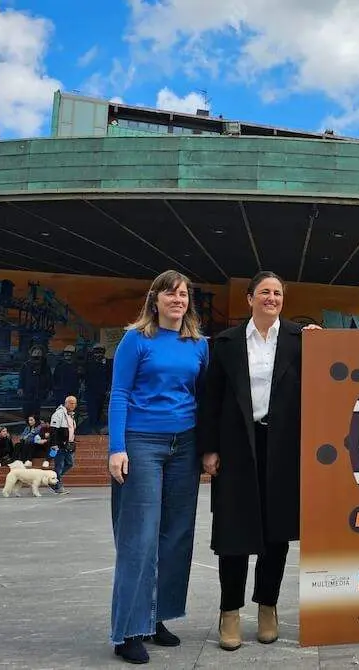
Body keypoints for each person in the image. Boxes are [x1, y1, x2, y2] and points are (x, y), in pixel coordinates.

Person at [201, 271, 318, 652]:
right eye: (264, 292)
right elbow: (211, 399)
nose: (271, 297)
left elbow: (329, 375)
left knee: (276, 535)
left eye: (277, 293)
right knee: (233, 535)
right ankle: (229, 613)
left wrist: (325, 340)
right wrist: (210, 448)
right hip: (237, 444)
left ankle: (267, 606)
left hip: (284, 446)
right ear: (249, 298)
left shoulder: (301, 339)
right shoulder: (227, 342)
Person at [106, 270, 209, 665]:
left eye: (183, 294)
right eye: (170, 294)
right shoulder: (136, 339)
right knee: (140, 537)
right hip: (142, 443)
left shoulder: (198, 344)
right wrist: (117, 448)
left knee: (177, 534)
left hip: (185, 444)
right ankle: (128, 630)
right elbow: (119, 393)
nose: (178, 299)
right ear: (155, 300)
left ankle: (157, 619)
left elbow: (204, 394)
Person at [49, 396, 77, 495]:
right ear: (66, 403)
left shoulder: (71, 415)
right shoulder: (58, 414)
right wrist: (54, 444)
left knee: (70, 463)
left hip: (69, 445)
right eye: (71, 403)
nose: (73, 405)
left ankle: (52, 477)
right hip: (60, 445)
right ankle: (57, 486)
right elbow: (53, 430)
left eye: (75, 403)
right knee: (59, 465)